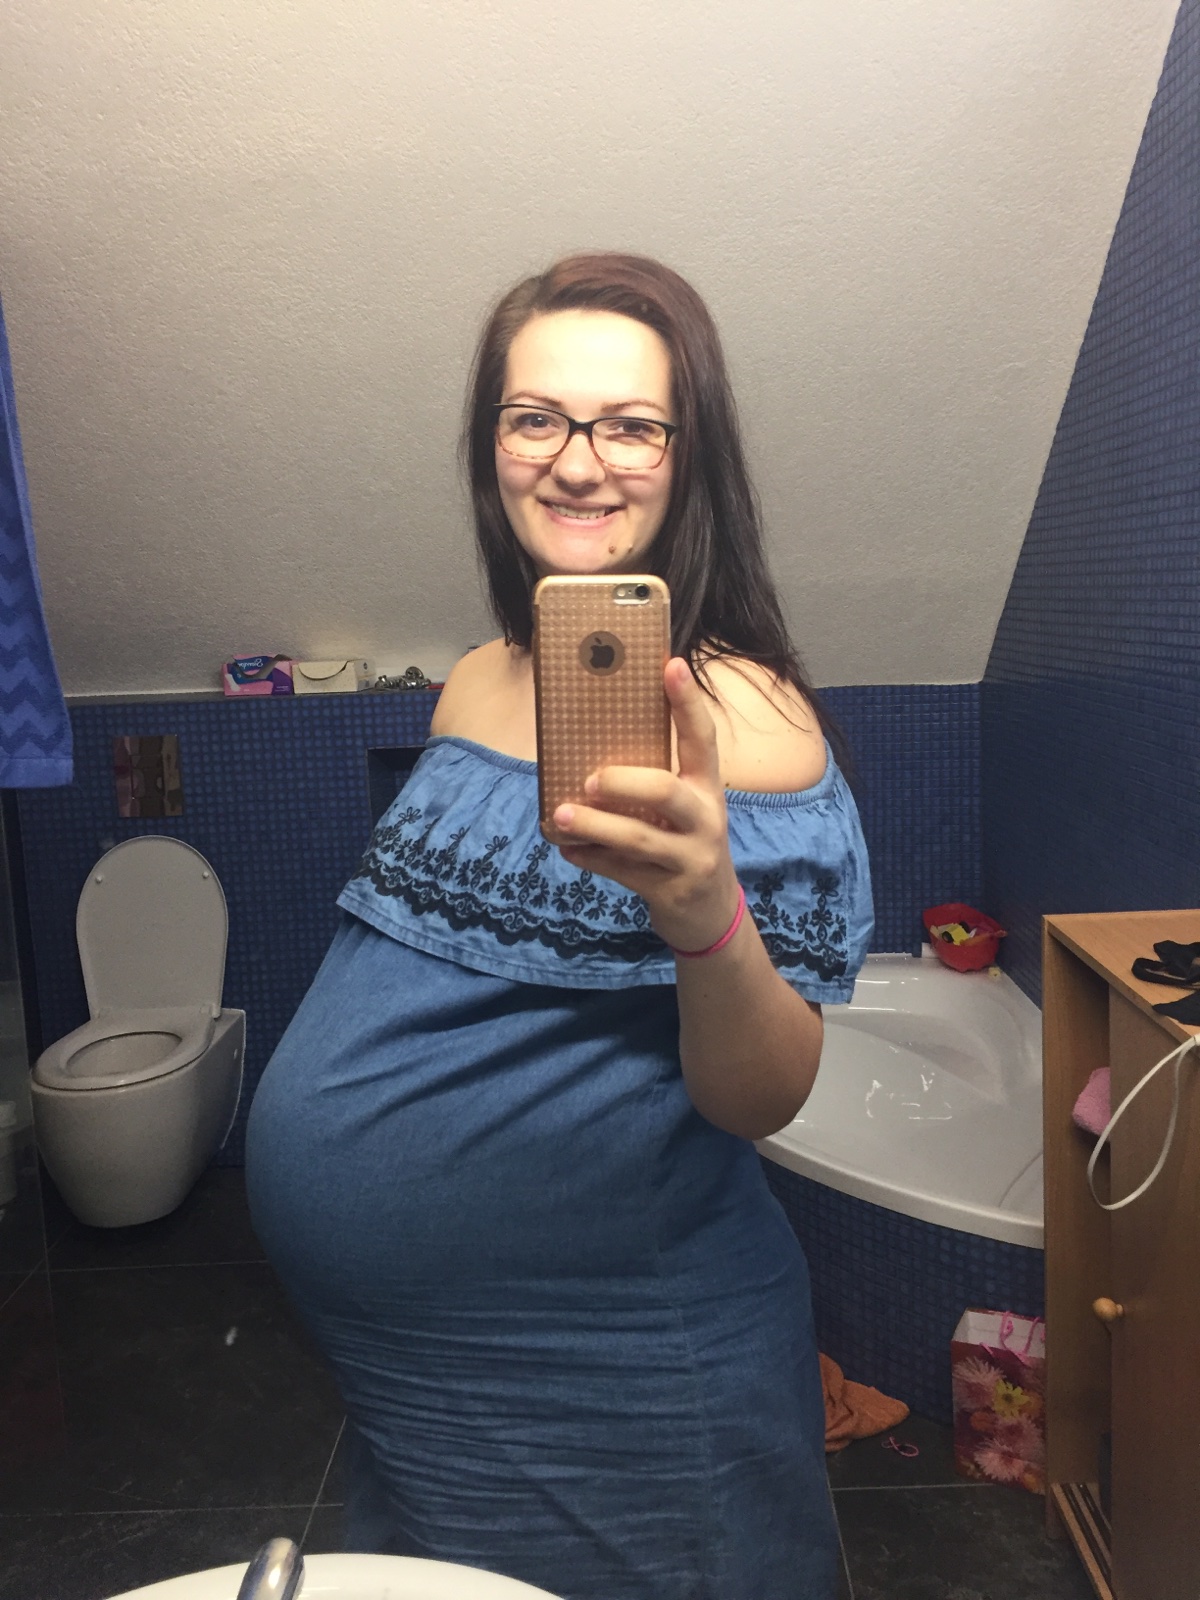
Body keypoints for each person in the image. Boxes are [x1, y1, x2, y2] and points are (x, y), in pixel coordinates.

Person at [245, 253, 873, 1600]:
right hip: (419, 1374)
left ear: (689, 457)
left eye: (631, 426)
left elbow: (765, 1095)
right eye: (536, 418)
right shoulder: (478, 677)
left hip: (614, 1365)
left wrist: (704, 911)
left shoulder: (747, 719)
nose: (578, 463)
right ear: (492, 446)